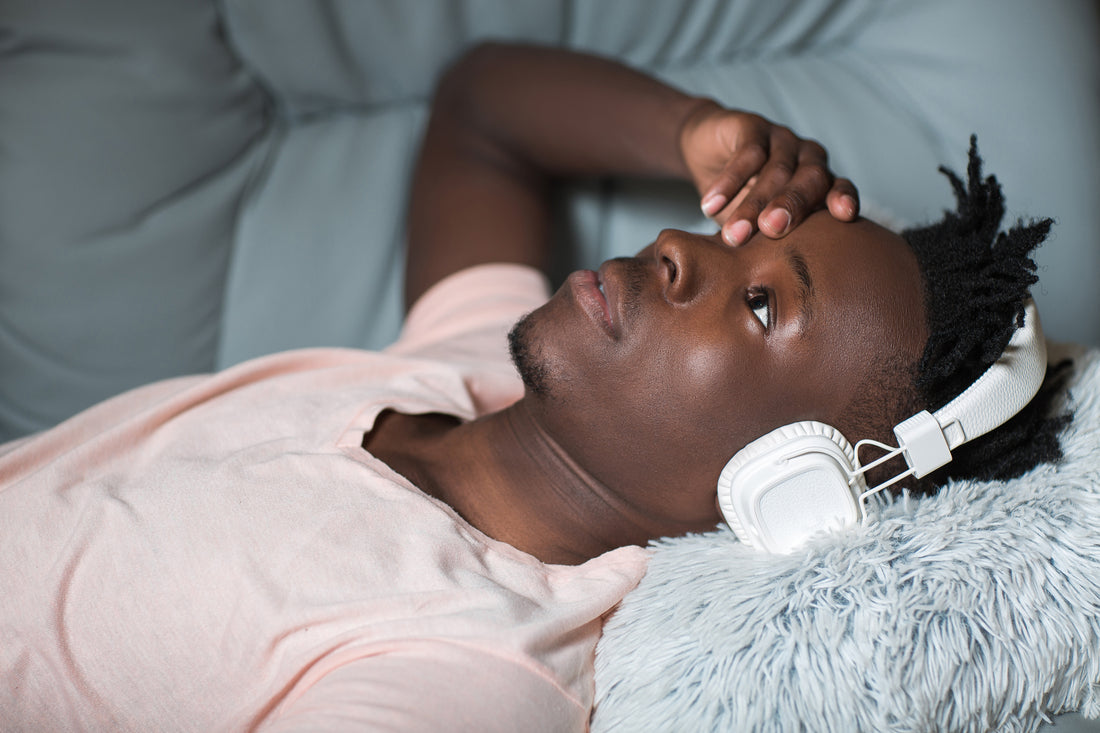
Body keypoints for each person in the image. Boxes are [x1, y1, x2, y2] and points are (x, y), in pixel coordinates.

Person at [0, 43, 1068, 731]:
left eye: (758, 307)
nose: (671, 246)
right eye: (718, 234)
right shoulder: (453, 372)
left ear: (791, 489)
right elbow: (482, 112)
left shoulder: (464, 666)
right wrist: (692, 130)